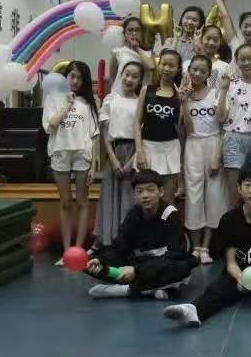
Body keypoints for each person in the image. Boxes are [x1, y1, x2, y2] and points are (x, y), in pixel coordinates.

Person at [163, 162, 251, 329]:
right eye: (248, 185)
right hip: (237, 274)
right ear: (239, 188)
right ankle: (192, 310)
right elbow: (231, 263)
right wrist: (242, 278)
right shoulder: (229, 220)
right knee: (218, 289)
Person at [86, 169, 198, 299]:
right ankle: (158, 289)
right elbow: (119, 247)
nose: (145, 195)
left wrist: (137, 271)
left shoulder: (170, 215)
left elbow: (175, 256)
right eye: (140, 191)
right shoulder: (134, 214)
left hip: (165, 264)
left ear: (161, 192)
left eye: (150, 190)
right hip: (141, 264)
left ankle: (127, 290)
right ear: (134, 195)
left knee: (182, 268)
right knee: (92, 265)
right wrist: (100, 260)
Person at [42, 61, 99, 266]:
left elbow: (94, 135)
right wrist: (67, 104)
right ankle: (66, 252)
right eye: (72, 76)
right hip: (60, 151)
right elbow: (50, 126)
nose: (75, 81)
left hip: (82, 153)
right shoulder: (53, 98)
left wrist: (94, 165)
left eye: (80, 78)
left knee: (82, 202)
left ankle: (79, 249)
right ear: (65, 76)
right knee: (65, 202)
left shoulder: (89, 102)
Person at [181, 55, 228, 265]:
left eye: (202, 71)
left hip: (214, 142)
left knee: (214, 196)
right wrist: (184, 102)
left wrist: (217, 155)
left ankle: (206, 247)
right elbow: (188, 129)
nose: (197, 73)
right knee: (194, 196)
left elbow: (222, 120)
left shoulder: (216, 92)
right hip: (193, 145)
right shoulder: (184, 95)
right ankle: (195, 246)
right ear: (189, 70)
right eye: (194, 69)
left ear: (209, 74)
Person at [95, 61, 142, 248]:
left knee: (129, 199)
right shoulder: (111, 99)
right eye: (126, 74)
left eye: (134, 76)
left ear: (140, 80)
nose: (129, 79)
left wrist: (131, 161)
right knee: (109, 197)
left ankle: (128, 243)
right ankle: (108, 241)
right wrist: (113, 159)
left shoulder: (140, 102)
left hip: (133, 152)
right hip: (114, 152)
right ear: (121, 75)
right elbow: (105, 133)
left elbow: (142, 134)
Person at [218, 43, 251, 204]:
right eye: (242, 59)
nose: (246, 63)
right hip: (234, 139)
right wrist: (223, 90)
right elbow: (221, 117)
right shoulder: (230, 84)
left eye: (250, 59)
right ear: (237, 62)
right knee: (236, 194)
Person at [134, 48, 186, 202]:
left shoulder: (180, 94)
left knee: (167, 198)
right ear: (159, 65)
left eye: (171, 65)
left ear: (178, 69)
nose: (167, 68)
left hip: (171, 148)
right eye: (164, 64)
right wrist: (139, 151)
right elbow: (137, 122)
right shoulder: (147, 90)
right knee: (146, 197)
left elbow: (181, 126)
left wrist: (183, 102)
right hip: (148, 147)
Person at [109, 16, 155, 94]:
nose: (133, 33)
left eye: (137, 30)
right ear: (124, 33)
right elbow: (113, 77)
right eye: (130, 30)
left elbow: (151, 66)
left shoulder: (148, 54)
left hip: (141, 96)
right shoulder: (117, 53)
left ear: (141, 33)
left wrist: (137, 49)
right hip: (119, 94)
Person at [182, 25, 231, 89]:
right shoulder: (187, 64)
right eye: (208, 39)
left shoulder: (224, 67)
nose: (211, 43)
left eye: (215, 40)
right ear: (201, 39)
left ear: (220, 42)